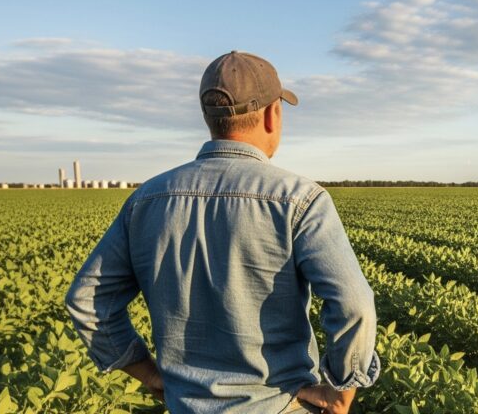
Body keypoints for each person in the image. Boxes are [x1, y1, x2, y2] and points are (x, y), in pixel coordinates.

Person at [64, 51, 380, 414]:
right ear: (271, 115)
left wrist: (150, 375)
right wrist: (341, 390)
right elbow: (354, 306)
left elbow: (87, 300)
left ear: (208, 117)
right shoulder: (300, 200)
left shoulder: (145, 201)